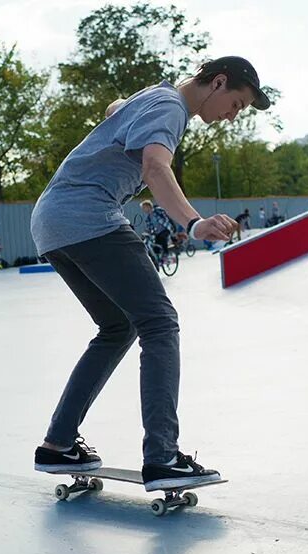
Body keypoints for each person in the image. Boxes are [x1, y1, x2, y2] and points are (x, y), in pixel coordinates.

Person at [30, 55, 267, 490]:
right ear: (217, 83)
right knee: (160, 323)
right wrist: (193, 223)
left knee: (117, 327)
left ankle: (58, 444)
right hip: (88, 217)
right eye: (236, 104)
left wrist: (122, 106)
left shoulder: (154, 98)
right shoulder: (171, 108)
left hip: (52, 223)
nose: (233, 116)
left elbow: (113, 111)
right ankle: (161, 457)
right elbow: (155, 167)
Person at [140, 199, 176, 268]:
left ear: (148, 206)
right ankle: (159, 259)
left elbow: (165, 218)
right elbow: (149, 227)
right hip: (157, 232)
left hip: (166, 229)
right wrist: (147, 232)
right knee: (155, 245)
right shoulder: (148, 217)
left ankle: (166, 254)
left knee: (163, 238)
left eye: (144, 208)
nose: (143, 210)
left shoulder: (158, 210)